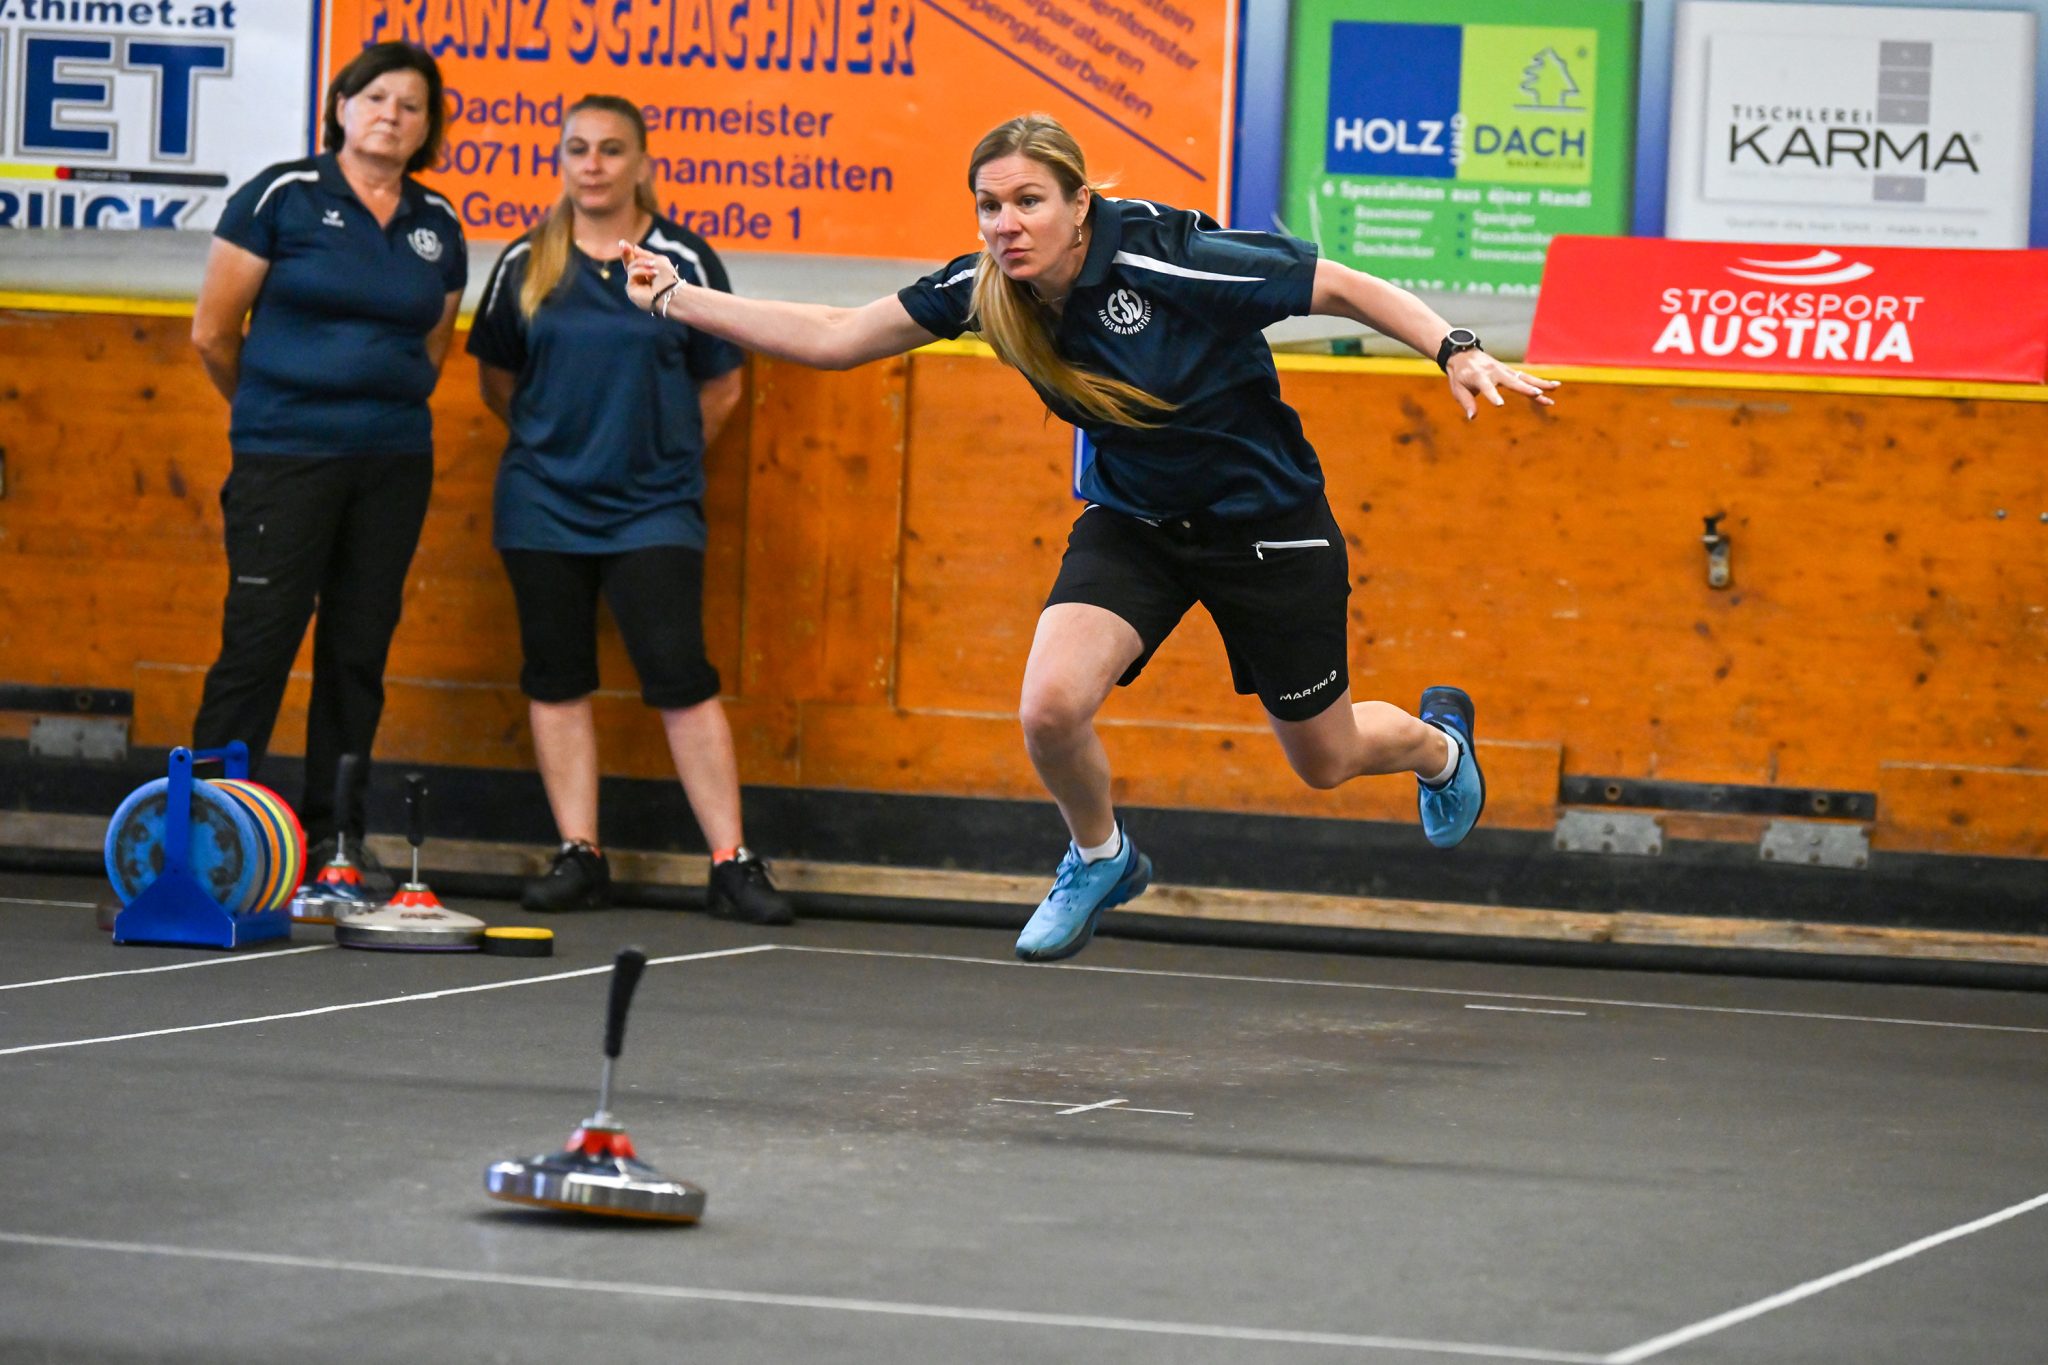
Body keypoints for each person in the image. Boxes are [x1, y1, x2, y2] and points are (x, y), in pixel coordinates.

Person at [622, 113, 1558, 962]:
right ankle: (1101, 854)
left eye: (1029, 201)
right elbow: (833, 332)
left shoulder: (1172, 258)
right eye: (990, 205)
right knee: (1049, 708)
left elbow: (1341, 286)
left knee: (1327, 759)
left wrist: (1456, 346)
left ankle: (1438, 747)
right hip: (1138, 523)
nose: (1006, 223)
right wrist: (675, 299)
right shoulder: (987, 289)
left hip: (1266, 527)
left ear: (1080, 204)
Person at [467, 96, 794, 925]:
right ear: (563, 159)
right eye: (578, 148)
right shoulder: (523, 262)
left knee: (681, 678)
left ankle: (731, 861)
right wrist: (559, 446)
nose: (594, 164)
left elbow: (722, 380)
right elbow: (498, 379)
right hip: (542, 504)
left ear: (642, 163)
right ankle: (581, 853)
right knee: (557, 676)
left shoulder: (681, 257)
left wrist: (662, 452)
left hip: (654, 506)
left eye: (612, 150)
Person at [189, 42, 466, 894]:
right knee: (259, 648)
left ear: (427, 127)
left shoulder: (438, 224)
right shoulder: (282, 197)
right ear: (341, 106)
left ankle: (332, 847)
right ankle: (203, 838)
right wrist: (273, 414)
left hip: (391, 465)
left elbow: (432, 346)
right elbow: (212, 333)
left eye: (411, 105)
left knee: (356, 654)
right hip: (286, 459)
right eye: (375, 96)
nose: (391, 114)